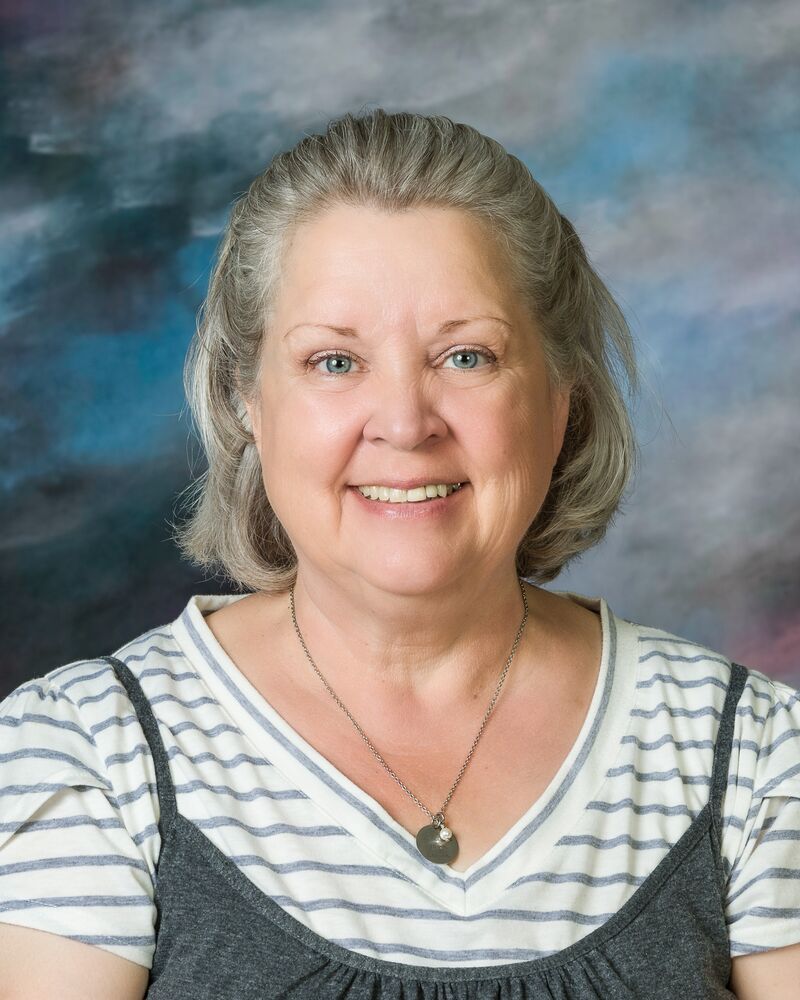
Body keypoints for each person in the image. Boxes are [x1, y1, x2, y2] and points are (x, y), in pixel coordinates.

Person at [0, 109, 798, 1000]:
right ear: (245, 401)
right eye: (335, 363)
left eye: (467, 356)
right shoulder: (88, 756)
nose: (406, 424)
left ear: (560, 399)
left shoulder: (757, 759)